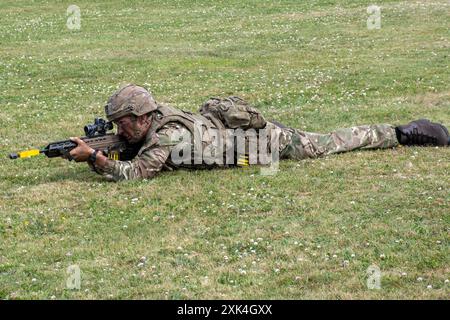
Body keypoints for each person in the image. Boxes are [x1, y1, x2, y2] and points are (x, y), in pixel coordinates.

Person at [67, 84, 449, 181]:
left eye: (123, 123)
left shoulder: (166, 136)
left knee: (333, 143)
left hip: (266, 144)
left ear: (142, 116)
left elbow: (137, 174)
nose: (120, 130)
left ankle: (401, 133)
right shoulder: (160, 117)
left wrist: (97, 160)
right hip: (243, 140)